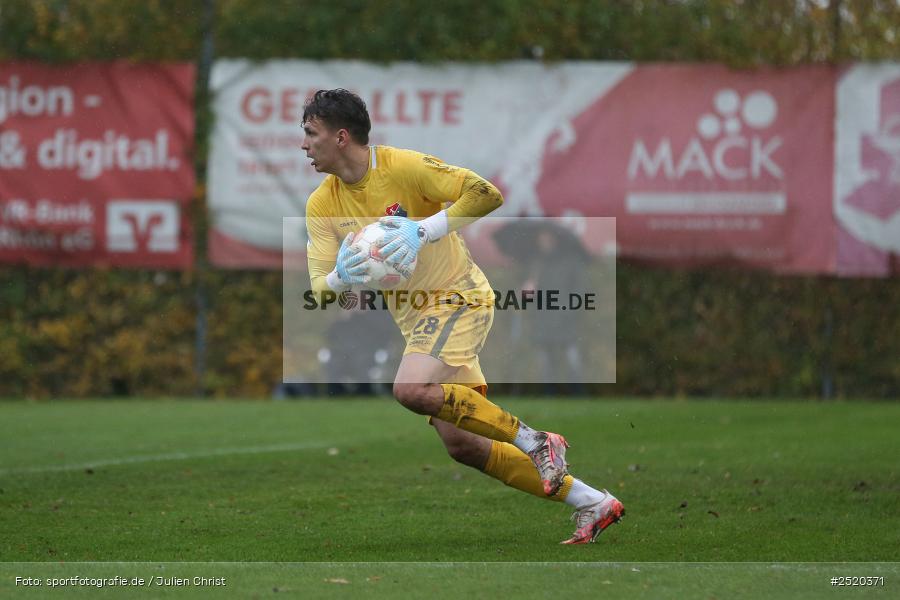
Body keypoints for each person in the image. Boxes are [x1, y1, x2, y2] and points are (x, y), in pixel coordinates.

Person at [302, 88, 623, 544]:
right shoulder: (322, 204)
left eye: (310, 134)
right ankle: (592, 502)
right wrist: (338, 278)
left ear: (340, 137)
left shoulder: (403, 167)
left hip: (459, 297)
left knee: (410, 389)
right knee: (464, 446)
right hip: (418, 319)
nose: (303, 144)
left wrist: (423, 230)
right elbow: (317, 287)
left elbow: (485, 194)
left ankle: (535, 441)